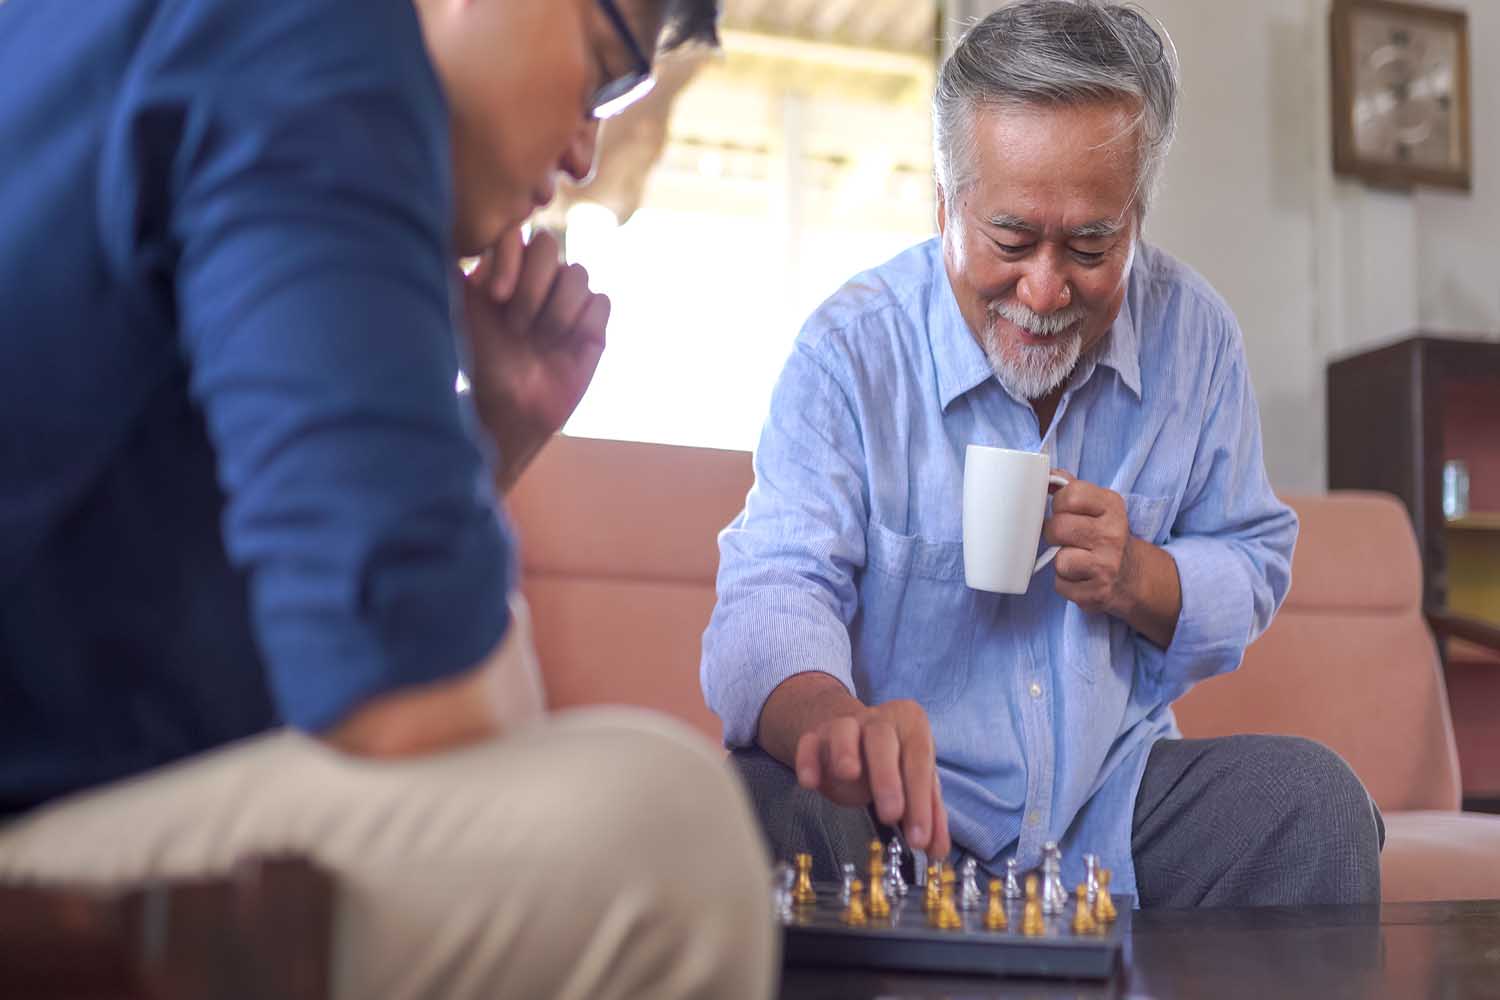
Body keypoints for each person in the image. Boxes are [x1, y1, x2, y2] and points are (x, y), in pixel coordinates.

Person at [0, 1, 775, 996]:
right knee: (666, 842)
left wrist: (489, 435)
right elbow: (419, 715)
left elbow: (272, 649)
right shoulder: (316, 40)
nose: (588, 149)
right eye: (606, 68)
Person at [701, 0, 1384, 908]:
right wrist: (834, 723)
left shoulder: (1196, 338)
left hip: (1110, 809)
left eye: (1092, 244)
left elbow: (1253, 556)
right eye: (1012, 239)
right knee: (747, 800)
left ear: (1136, 216)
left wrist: (1144, 575)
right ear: (945, 205)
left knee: (1317, 806)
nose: (1046, 287)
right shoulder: (849, 353)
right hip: (891, 819)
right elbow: (774, 588)